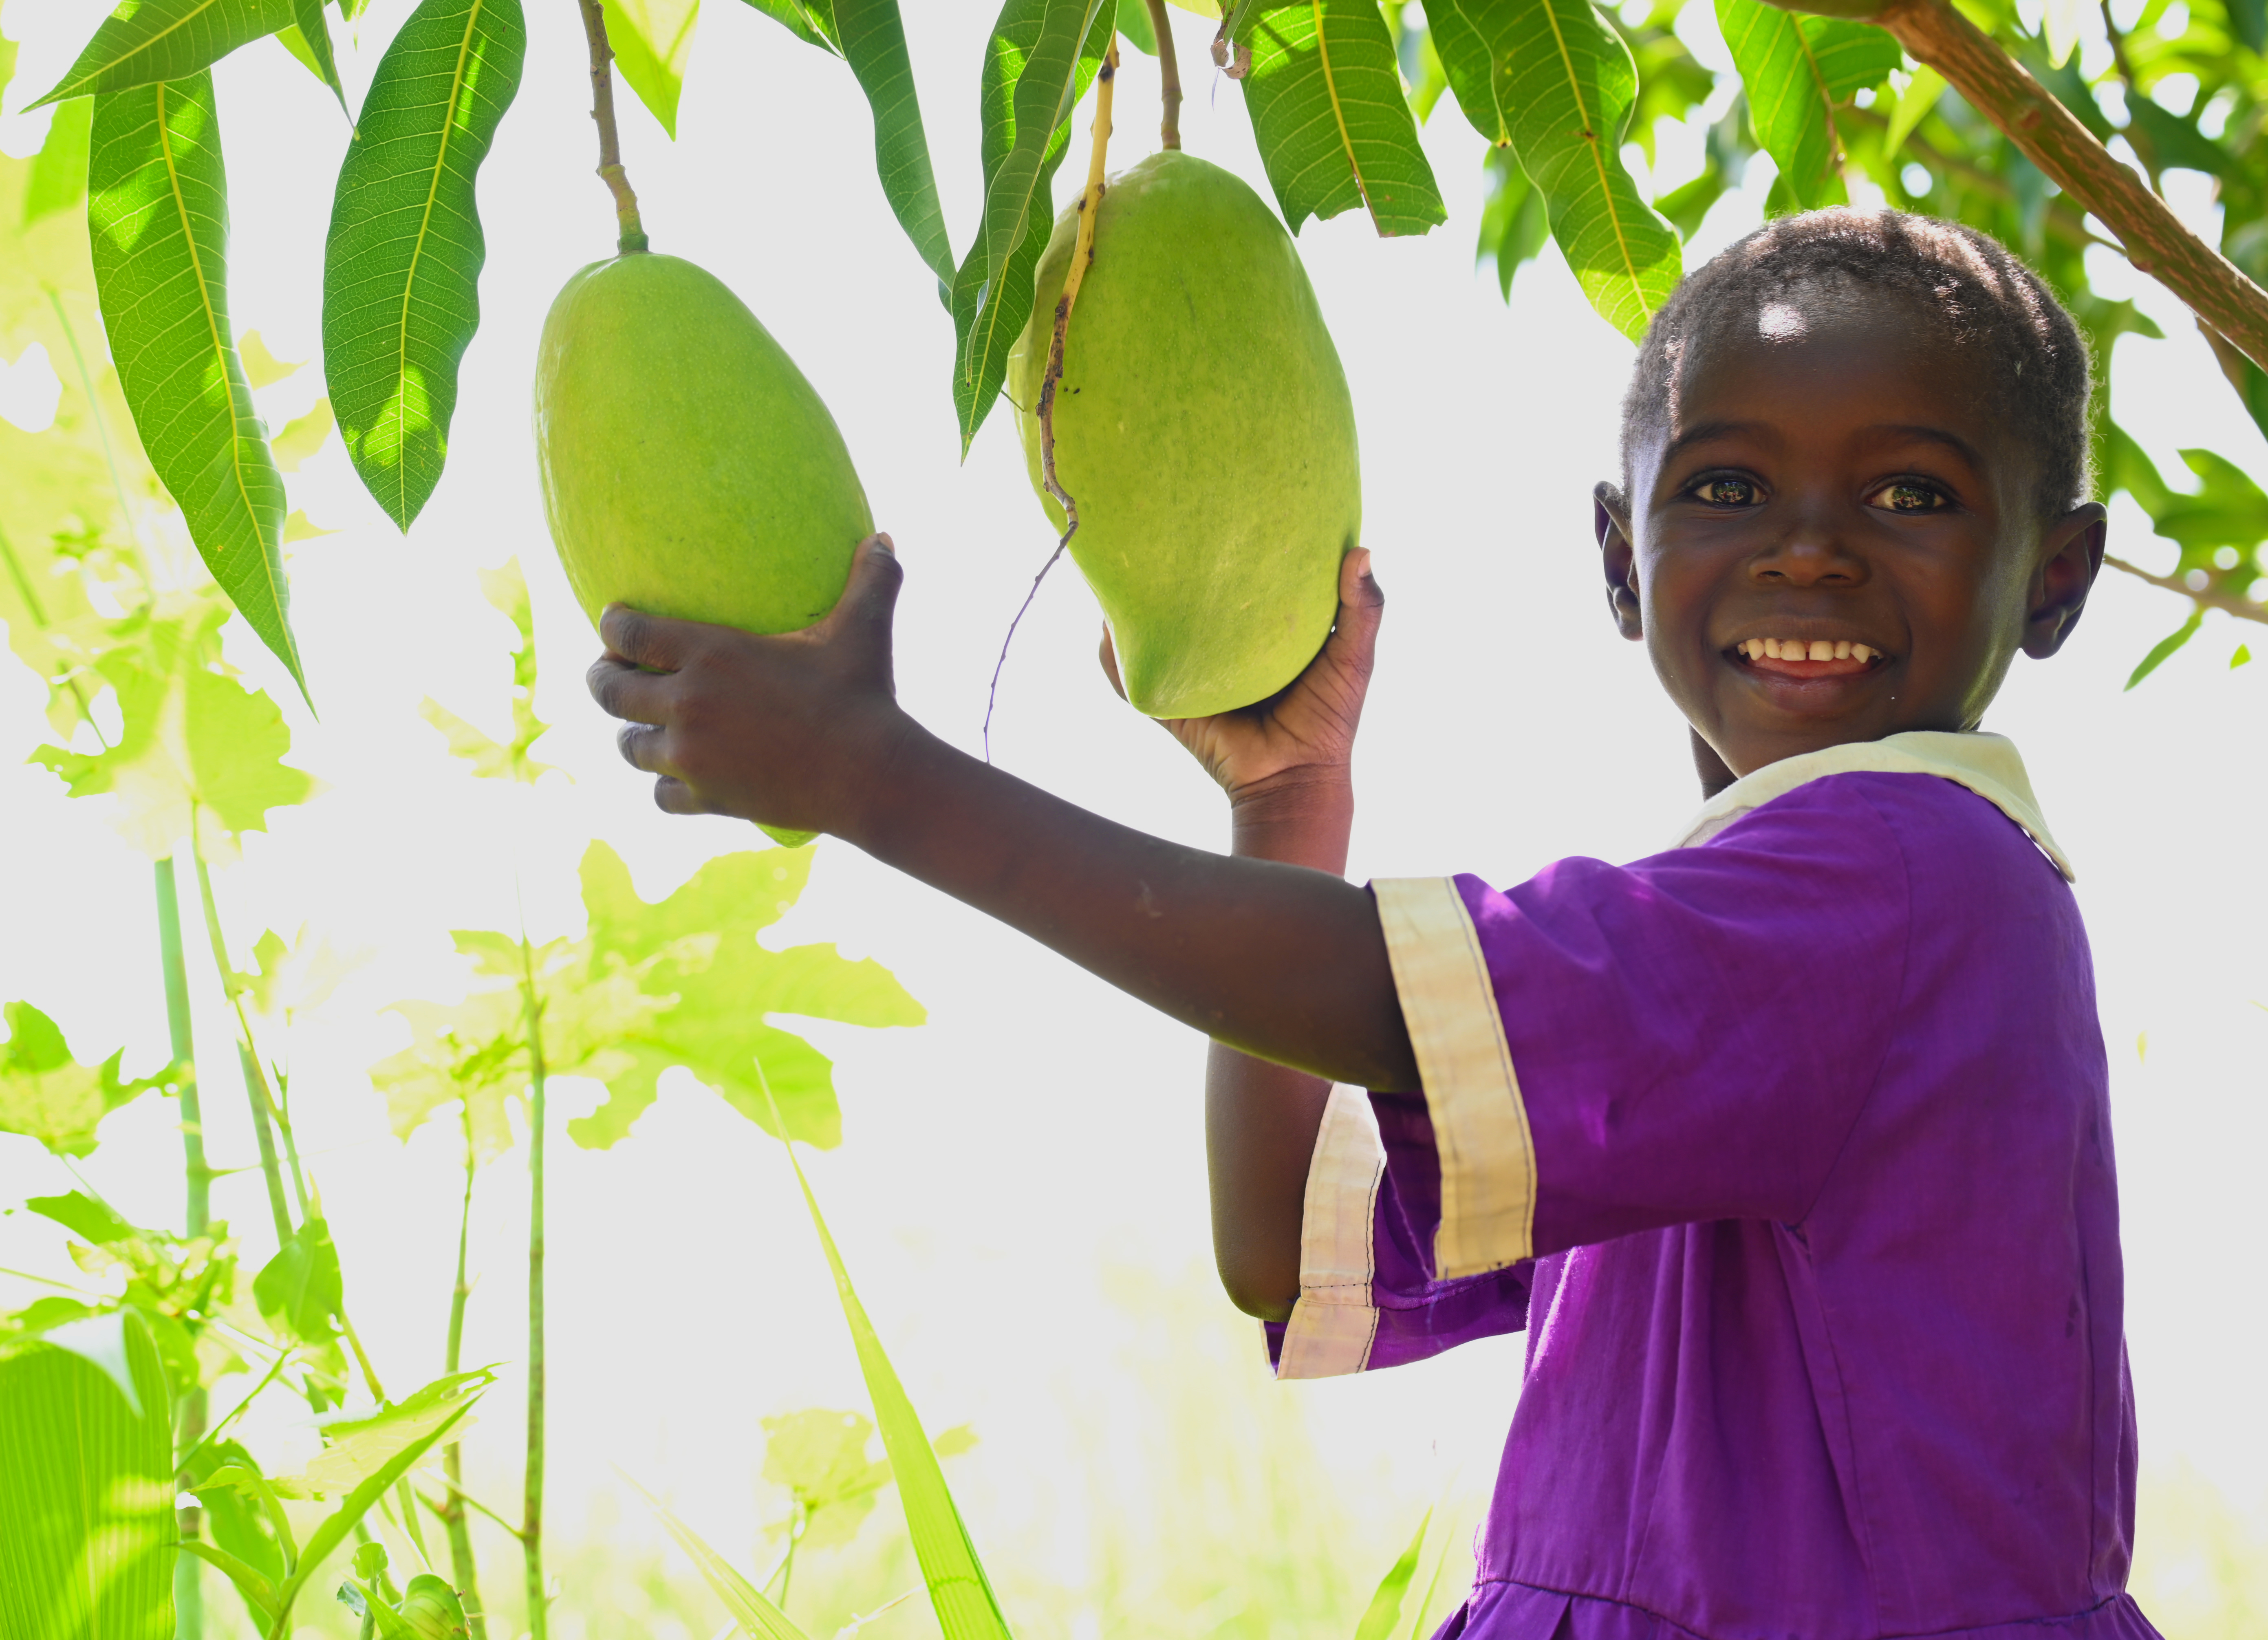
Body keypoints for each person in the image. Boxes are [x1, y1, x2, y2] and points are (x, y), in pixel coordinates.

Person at [586, 206, 2160, 1639]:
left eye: (1911, 492)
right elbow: (1283, 1250)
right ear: (1624, 561)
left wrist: (881, 779)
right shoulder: (1742, 972)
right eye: (1727, 487)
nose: (1807, 545)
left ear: (2057, 577)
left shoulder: (1904, 878)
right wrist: (1289, 800)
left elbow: (1375, 998)